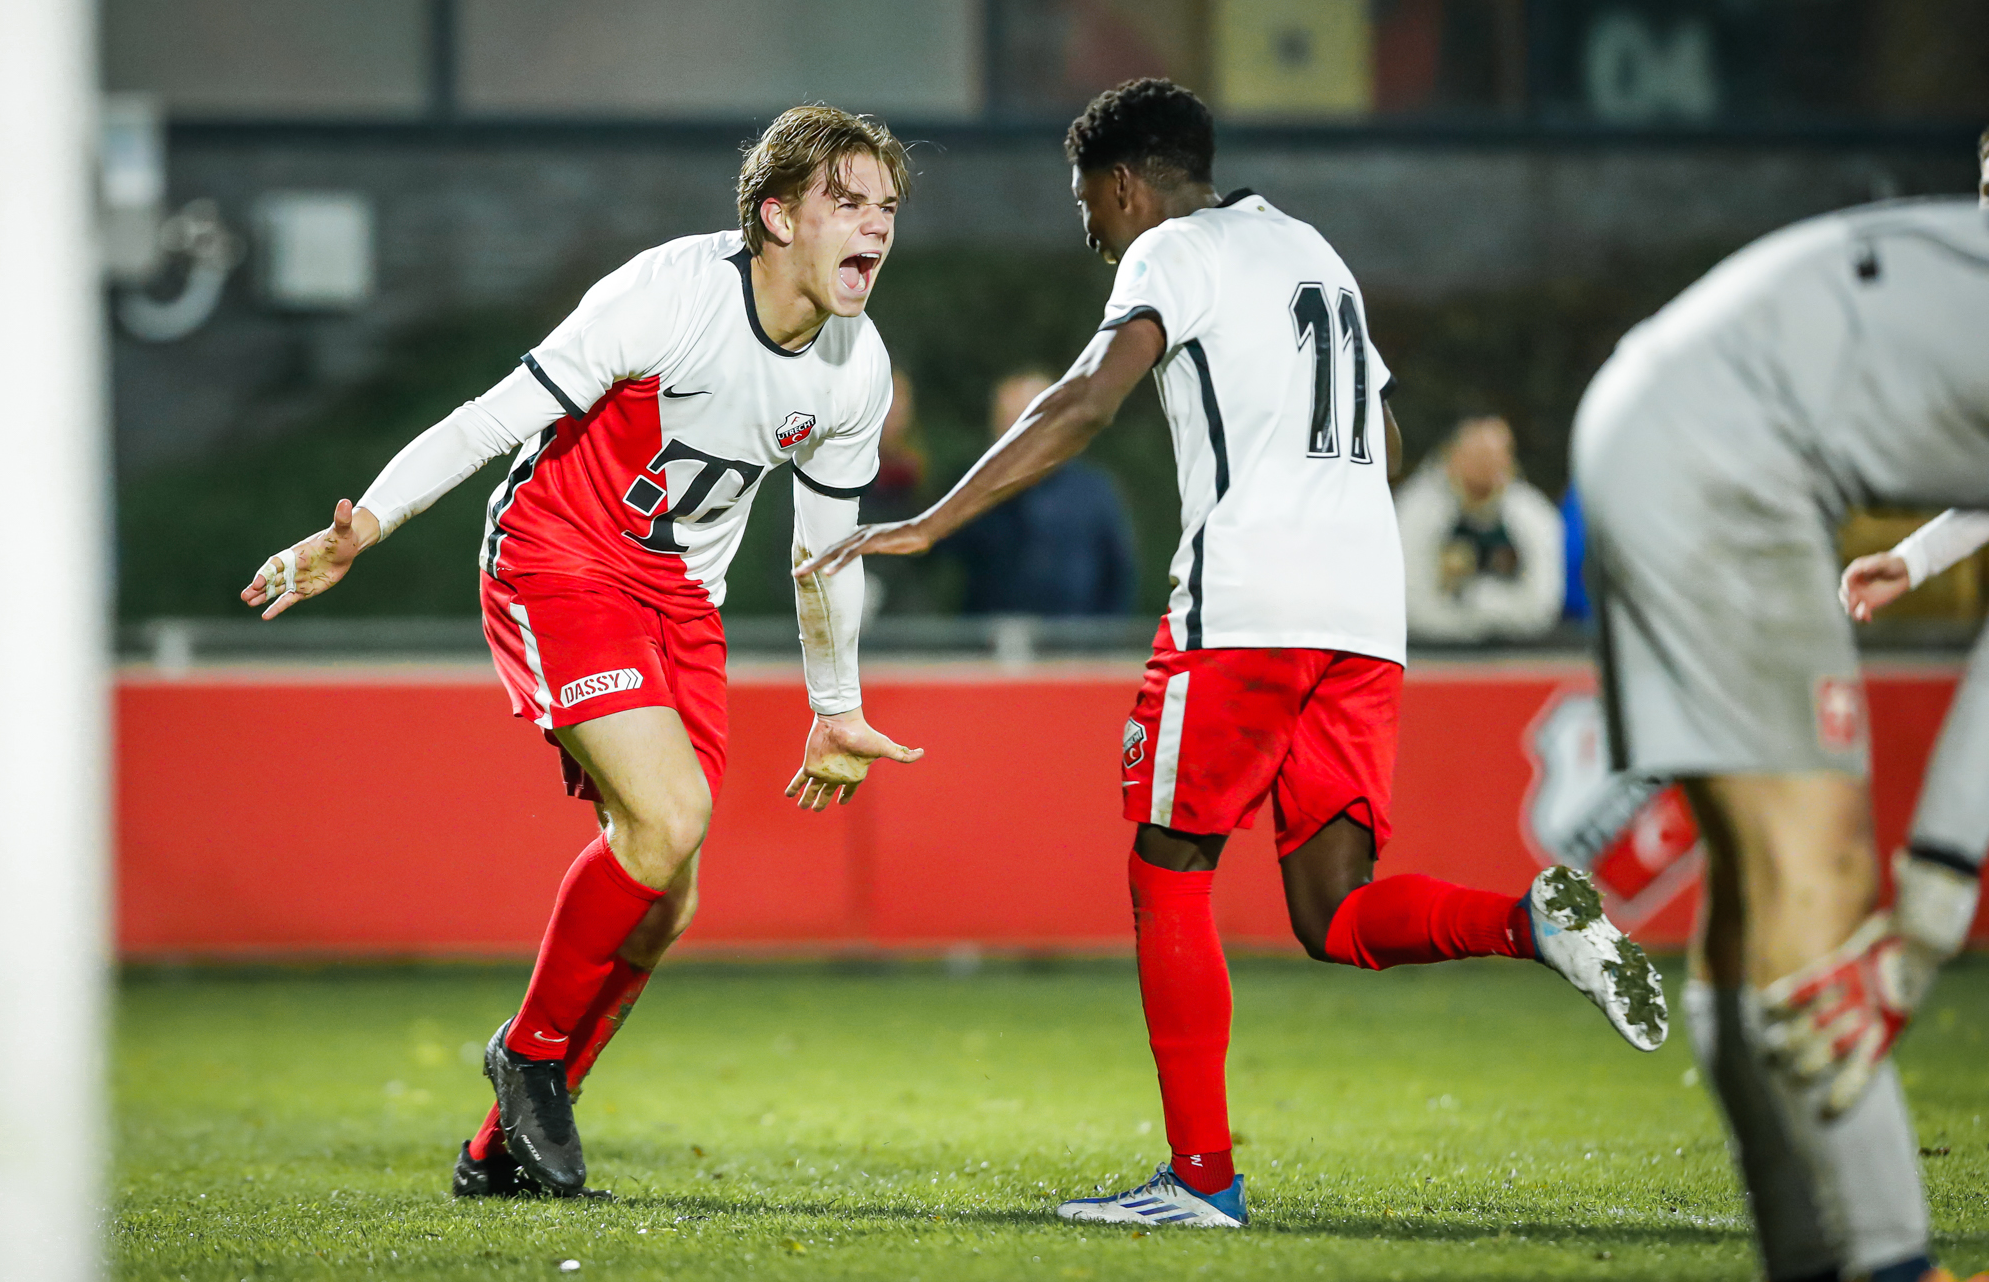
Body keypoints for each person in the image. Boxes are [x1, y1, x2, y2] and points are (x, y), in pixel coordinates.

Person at [800, 77, 1667, 1230]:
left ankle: (1200, 1180)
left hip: (1247, 606)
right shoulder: (1315, 254)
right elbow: (1385, 429)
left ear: (1121, 185)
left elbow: (1082, 401)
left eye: (1085, 203)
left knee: (1167, 867)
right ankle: (1533, 924)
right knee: (1334, 916)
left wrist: (929, 519)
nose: (1089, 229)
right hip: (1363, 618)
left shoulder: (1165, 254)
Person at [240, 104, 925, 1199]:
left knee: (668, 897)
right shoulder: (670, 293)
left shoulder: (855, 368)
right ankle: (529, 1054)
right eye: (848, 202)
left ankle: (496, 1150)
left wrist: (833, 704)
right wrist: (361, 527)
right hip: (557, 557)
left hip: (678, 599)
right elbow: (488, 418)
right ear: (775, 215)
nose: (876, 229)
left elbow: (824, 555)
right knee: (668, 821)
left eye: (887, 209)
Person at [1572, 149, 1989, 1282]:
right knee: (1820, 881)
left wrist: (1914, 551)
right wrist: (1937, 900)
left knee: (1753, 886)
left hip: (1639, 416)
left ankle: (1812, 1258)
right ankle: (1888, 1264)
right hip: (1724, 462)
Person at [947, 368, 1136, 615]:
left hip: (1077, 643)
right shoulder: (970, 491)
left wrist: (1104, 642)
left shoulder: (1093, 492)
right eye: (1009, 421)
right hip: (993, 643)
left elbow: (1119, 576)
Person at [1397, 414, 1564, 642]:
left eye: (1498, 456)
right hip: (1432, 655)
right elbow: (1411, 606)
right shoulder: (1415, 511)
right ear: (1452, 455)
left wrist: (1487, 606)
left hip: (1517, 653)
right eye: (1479, 456)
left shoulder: (1533, 515)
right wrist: (1469, 623)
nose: (1489, 466)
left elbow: (1542, 607)